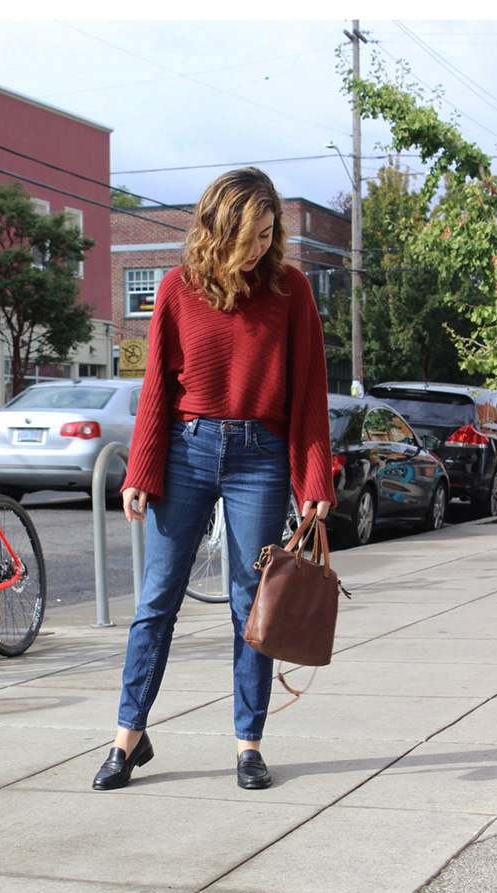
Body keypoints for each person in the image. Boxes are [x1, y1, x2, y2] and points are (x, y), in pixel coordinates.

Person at [92, 167, 335, 792]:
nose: (259, 246)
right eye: (249, 234)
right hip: (187, 451)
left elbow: (309, 393)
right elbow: (156, 391)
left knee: (250, 606)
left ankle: (248, 745)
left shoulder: (291, 291)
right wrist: (140, 469)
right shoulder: (176, 289)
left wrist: (314, 480)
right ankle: (127, 737)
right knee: (155, 602)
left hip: (260, 455)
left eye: (268, 232)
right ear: (220, 230)